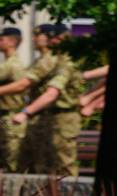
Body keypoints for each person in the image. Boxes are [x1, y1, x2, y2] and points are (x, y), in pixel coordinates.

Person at [15, 24, 84, 176]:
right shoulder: (58, 60)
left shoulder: (65, 62)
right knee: (44, 165)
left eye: (54, 38)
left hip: (63, 117)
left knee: (63, 164)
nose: (50, 42)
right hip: (50, 116)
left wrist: (25, 112)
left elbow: (51, 93)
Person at [0, 27, 33, 172]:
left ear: (11, 42)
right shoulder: (7, 63)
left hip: (10, 119)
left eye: (1, 39)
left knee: (13, 163)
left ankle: (14, 194)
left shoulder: (11, 65)